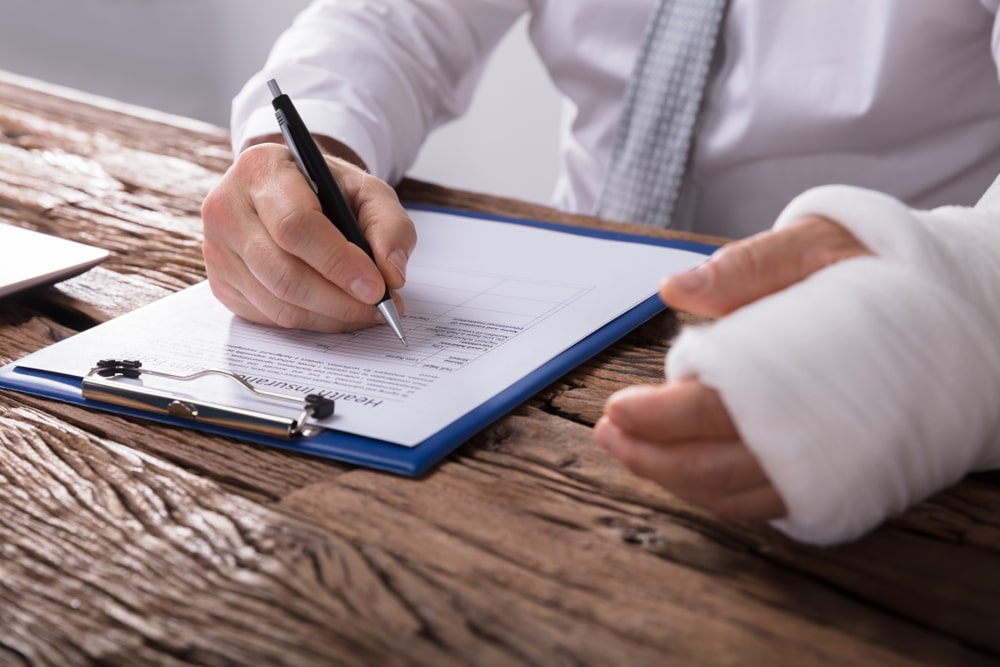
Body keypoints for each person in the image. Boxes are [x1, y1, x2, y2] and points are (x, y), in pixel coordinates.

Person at [201, 0, 1000, 545]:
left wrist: (952, 311)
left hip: (861, 345)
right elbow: (395, 19)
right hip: (561, 318)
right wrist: (316, 155)